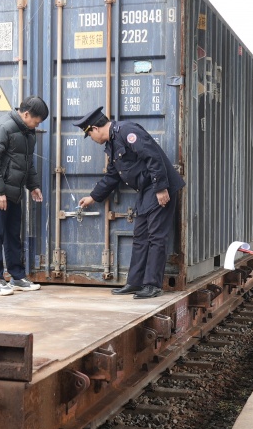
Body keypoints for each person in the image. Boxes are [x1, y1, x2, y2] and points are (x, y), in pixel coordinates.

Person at [75, 107, 185, 299]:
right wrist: (93, 197)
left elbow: (152, 155)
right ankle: (135, 282)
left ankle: (152, 285)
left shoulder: (127, 131)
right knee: (140, 236)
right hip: (145, 190)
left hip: (158, 186)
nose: (92, 140)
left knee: (156, 237)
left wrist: (160, 188)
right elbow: (112, 176)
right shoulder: (112, 143)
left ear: (94, 128)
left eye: (89, 135)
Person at [0, 96, 49, 296]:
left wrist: (33, 185)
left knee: (13, 235)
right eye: (36, 121)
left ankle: (17, 277)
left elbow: (27, 162)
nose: (37, 124)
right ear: (26, 114)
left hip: (14, 192)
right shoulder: (1, 128)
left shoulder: (27, 131)